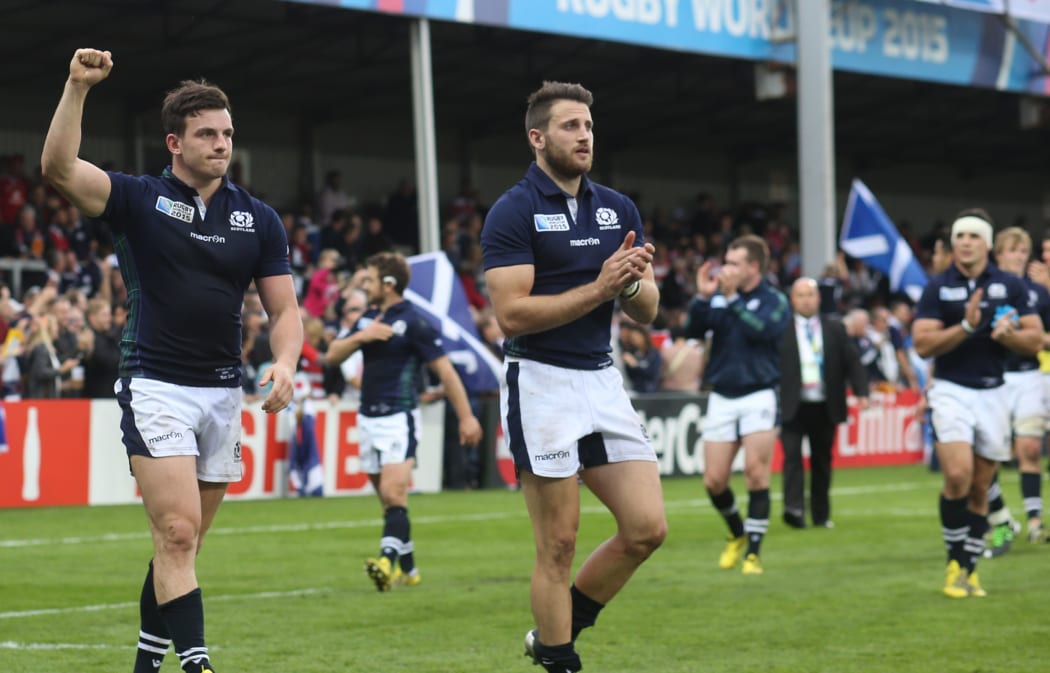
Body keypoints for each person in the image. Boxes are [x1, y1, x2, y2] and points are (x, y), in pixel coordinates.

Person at [40, 49, 302, 673]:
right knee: (178, 534)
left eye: (227, 134)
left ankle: (146, 663)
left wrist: (287, 361)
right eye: (207, 134)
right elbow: (56, 168)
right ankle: (198, 664)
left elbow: (285, 312)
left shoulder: (258, 218)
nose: (221, 144)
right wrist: (77, 88)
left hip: (221, 393)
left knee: (180, 546)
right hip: (155, 383)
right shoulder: (137, 198)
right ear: (175, 143)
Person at [480, 81, 667, 673]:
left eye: (588, 125)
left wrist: (631, 283)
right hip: (541, 382)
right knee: (558, 545)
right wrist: (601, 287)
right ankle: (560, 659)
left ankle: (558, 631)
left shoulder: (617, 208)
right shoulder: (513, 210)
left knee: (646, 528)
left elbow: (648, 308)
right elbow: (512, 314)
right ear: (537, 139)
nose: (584, 135)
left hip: (601, 380)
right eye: (570, 126)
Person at [325, 251, 483, 591]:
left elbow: (445, 371)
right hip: (367, 418)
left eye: (369, 279)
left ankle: (385, 562)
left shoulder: (414, 322)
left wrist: (467, 416)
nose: (364, 285)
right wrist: (360, 338)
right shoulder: (367, 319)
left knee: (394, 493)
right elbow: (332, 355)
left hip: (400, 417)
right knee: (389, 503)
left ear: (389, 283)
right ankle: (409, 570)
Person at [912, 209, 1041, 599]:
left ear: (987, 243)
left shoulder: (1010, 286)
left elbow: (1035, 339)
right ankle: (954, 564)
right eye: (960, 235)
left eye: (973, 235)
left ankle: (969, 569)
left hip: (996, 390)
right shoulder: (938, 287)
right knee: (957, 475)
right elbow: (922, 344)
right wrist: (966, 328)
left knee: (981, 487)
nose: (965, 241)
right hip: (952, 389)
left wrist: (1008, 337)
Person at [685, 234, 790, 574]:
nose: (725, 269)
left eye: (733, 263)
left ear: (753, 267)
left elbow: (764, 332)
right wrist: (702, 299)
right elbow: (693, 331)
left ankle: (754, 554)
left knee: (756, 474)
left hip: (759, 393)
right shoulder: (718, 297)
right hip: (722, 394)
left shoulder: (774, 299)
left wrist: (731, 300)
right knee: (714, 480)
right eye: (725, 262)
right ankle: (737, 532)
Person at [779, 277, 869, 529]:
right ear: (792, 300)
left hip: (825, 404)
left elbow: (853, 361)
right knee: (792, 459)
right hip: (792, 404)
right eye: (801, 295)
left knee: (822, 461)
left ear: (818, 299)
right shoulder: (782, 329)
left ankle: (821, 514)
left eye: (810, 294)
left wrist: (862, 391)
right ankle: (794, 510)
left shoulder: (835, 328)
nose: (806, 300)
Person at [982, 226, 1050, 555]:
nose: (1019, 257)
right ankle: (1000, 518)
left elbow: (1045, 336)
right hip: (993, 378)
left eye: (1023, 251)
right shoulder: (988, 289)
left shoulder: (1038, 293)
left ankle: (1035, 521)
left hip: (1028, 376)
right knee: (987, 454)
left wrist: (1027, 337)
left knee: (1030, 449)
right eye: (1012, 251)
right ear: (999, 255)